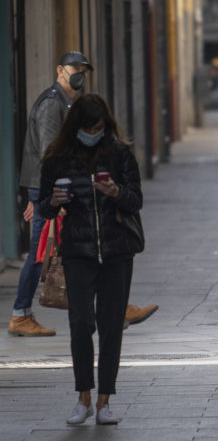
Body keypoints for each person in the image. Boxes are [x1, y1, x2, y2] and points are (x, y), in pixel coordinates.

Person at [9, 52, 157, 338]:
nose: (80, 74)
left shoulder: (68, 102)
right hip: (51, 188)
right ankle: (20, 314)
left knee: (66, 248)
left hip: (56, 186)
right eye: (75, 68)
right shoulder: (52, 104)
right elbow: (49, 154)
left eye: (84, 70)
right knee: (42, 253)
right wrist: (50, 195)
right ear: (59, 70)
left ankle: (116, 306)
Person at [38, 94, 144, 425]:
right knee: (80, 323)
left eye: (97, 127)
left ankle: (104, 402)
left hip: (117, 252)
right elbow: (42, 208)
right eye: (87, 128)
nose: (92, 133)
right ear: (76, 128)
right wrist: (54, 201)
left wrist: (115, 192)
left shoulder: (120, 153)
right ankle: (83, 396)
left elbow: (135, 200)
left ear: (105, 125)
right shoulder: (58, 159)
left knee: (112, 326)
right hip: (78, 251)